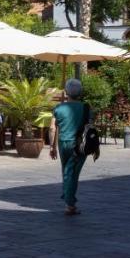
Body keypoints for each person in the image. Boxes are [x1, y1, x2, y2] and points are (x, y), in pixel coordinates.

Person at [50, 78, 91, 215]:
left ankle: (67, 197)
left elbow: (52, 128)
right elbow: (90, 127)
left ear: (66, 91)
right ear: (80, 92)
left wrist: (52, 147)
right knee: (73, 173)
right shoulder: (86, 108)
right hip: (79, 145)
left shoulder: (58, 108)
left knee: (66, 171)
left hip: (63, 144)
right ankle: (69, 203)